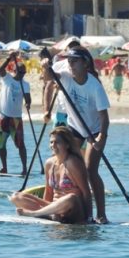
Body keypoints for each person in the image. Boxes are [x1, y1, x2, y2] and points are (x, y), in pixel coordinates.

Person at [46, 46, 111, 224]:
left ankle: (101, 214)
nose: (70, 64)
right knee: (66, 163)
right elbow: (49, 78)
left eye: (74, 61)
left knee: (90, 170)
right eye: (69, 61)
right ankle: (66, 208)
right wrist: (46, 66)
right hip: (75, 127)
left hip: (95, 130)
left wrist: (100, 138)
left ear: (85, 63)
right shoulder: (65, 74)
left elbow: (104, 117)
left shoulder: (94, 86)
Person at [9, 126, 92, 224]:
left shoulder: (73, 163)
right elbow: (48, 191)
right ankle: (48, 215)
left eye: (57, 142)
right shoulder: (49, 163)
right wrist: (47, 209)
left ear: (67, 145)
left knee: (71, 198)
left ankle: (35, 213)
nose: (53, 145)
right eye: (51, 142)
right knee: (16, 196)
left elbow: (86, 192)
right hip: (53, 210)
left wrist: (88, 218)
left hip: (72, 210)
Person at [0, 52, 31, 175]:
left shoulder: (25, 84)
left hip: (16, 118)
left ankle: (24, 169)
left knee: (21, 145)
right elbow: (0, 69)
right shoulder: (7, 79)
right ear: (15, 70)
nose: (22, 75)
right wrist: (9, 58)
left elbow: (28, 97)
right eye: (20, 72)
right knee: (0, 144)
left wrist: (28, 103)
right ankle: (4, 168)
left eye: (24, 73)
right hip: (3, 116)